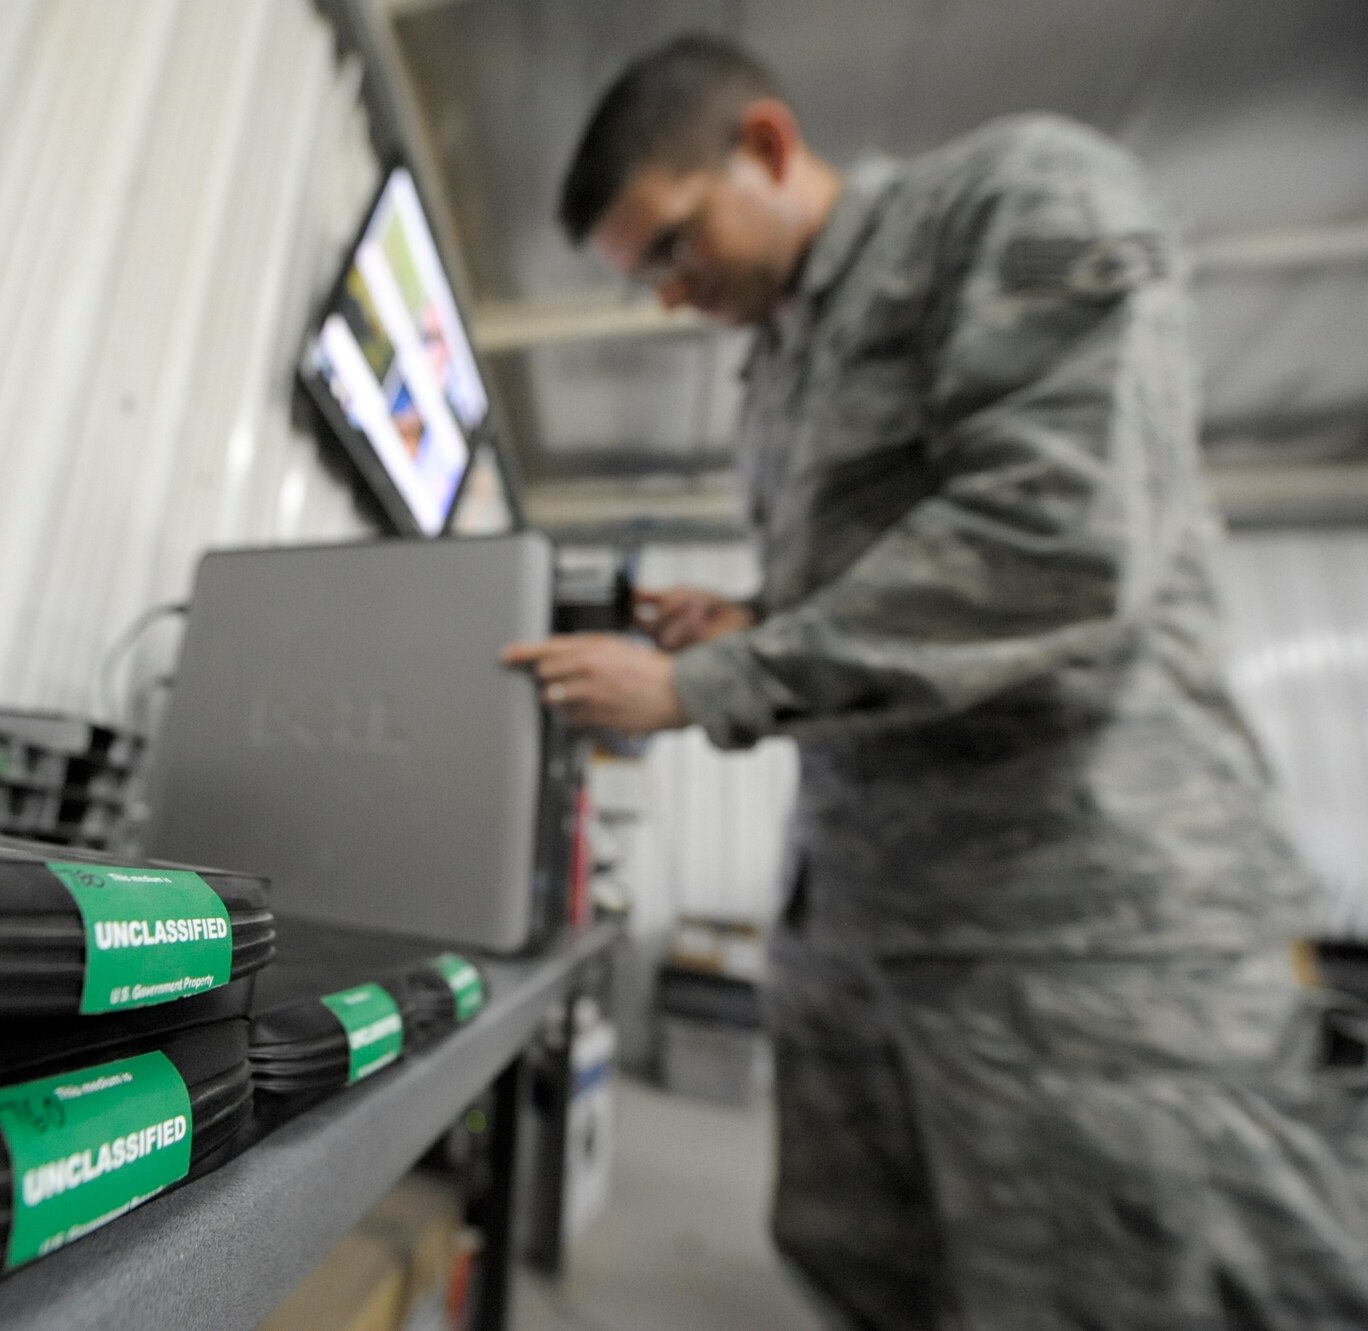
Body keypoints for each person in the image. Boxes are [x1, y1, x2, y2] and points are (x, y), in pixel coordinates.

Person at [505, 34, 1368, 1331]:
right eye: (647, 281)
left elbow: (1060, 541)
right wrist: (750, 617)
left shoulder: (1032, 201)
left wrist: (704, 685)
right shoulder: (777, 366)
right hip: (866, 938)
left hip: (1077, 950)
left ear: (768, 147)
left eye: (676, 247)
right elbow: (894, 584)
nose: (674, 297)